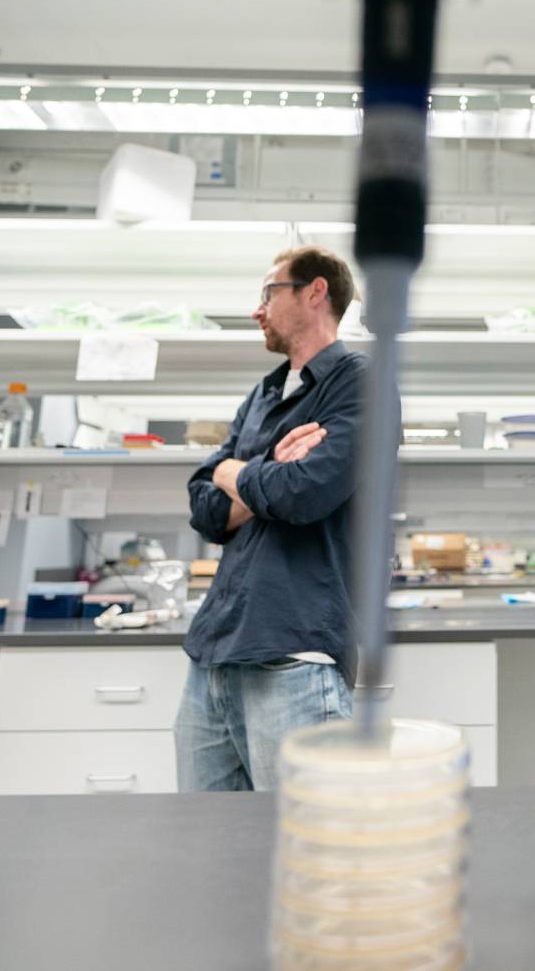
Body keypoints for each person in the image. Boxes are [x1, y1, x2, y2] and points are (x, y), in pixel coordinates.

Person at [178, 246, 367, 791]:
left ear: (315, 293)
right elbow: (204, 506)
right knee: (205, 850)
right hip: (213, 656)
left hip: (295, 658)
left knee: (306, 853)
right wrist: (258, 470)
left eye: (268, 293)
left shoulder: (358, 383)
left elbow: (301, 495)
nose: (256, 310)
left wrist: (235, 473)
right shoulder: (262, 394)